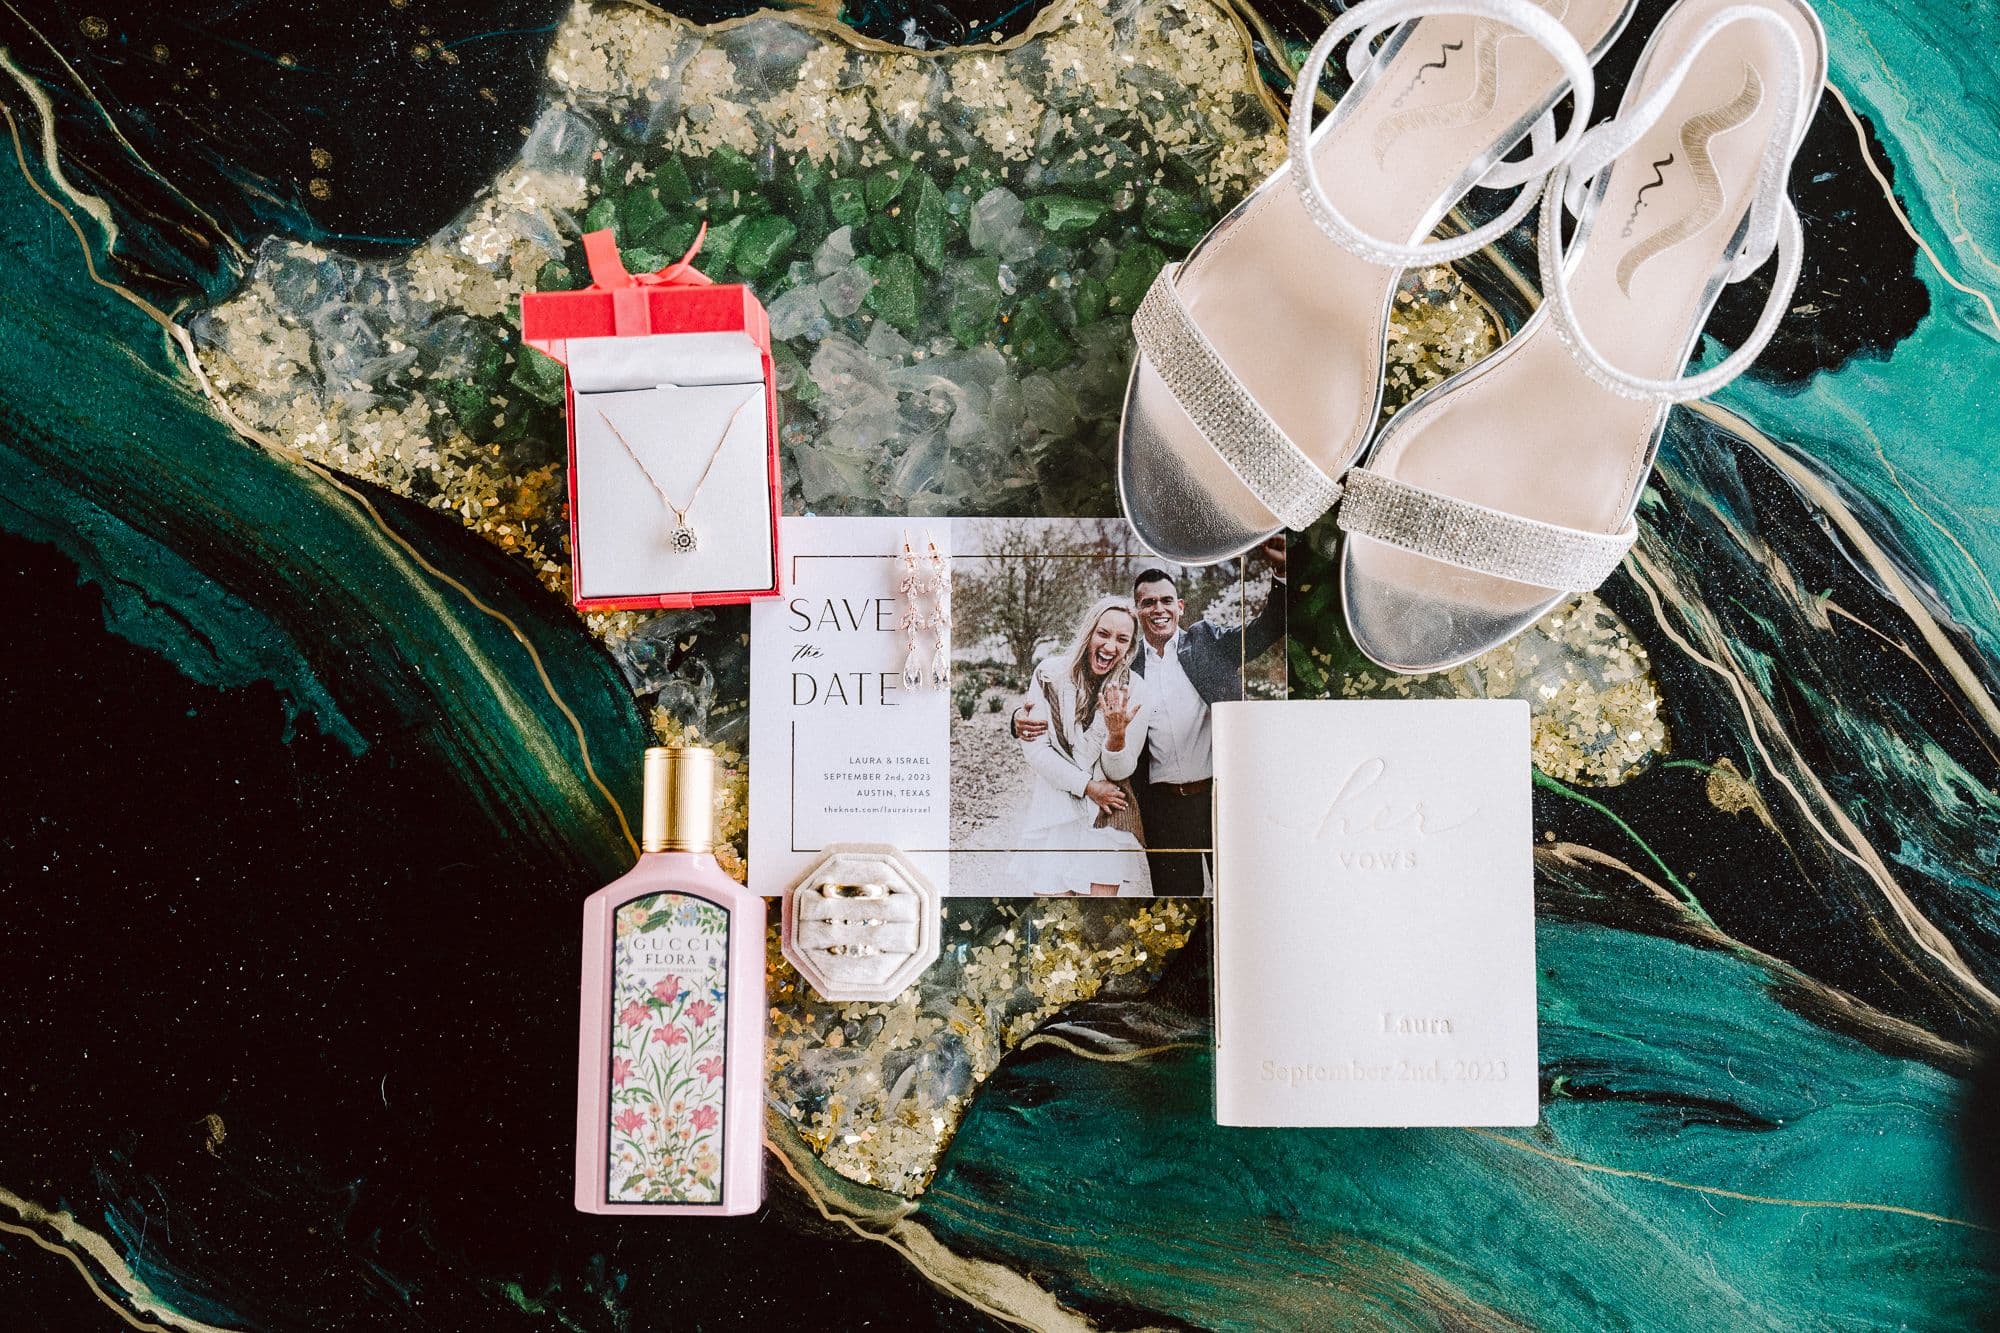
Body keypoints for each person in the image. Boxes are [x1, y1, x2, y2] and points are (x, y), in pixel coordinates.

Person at [1014, 537, 1285, 894]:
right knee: (1176, 910)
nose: (1159, 609)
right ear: (1138, 612)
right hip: (1163, 808)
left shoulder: (1207, 644)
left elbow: (1266, 630)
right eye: (1148, 602)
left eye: (1166, 601)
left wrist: (1280, 573)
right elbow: (1066, 711)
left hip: (1218, 800)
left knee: (1242, 894)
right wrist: (1017, 719)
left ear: (1180, 606)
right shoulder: (1128, 670)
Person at [1010, 597, 1151, 897]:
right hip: (1056, 811)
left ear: (1130, 647)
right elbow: (1036, 750)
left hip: (1105, 815)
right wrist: (1087, 785)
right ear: (1089, 632)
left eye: (1122, 639)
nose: (1110, 646)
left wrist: (1116, 736)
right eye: (1103, 634)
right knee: (1052, 923)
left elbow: (1121, 769)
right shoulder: (1048, 675)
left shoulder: (1136, 688)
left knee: (1094, 928)